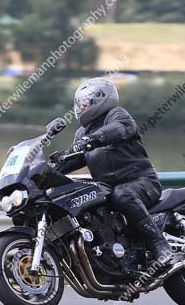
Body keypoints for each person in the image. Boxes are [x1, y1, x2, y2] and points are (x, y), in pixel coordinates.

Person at [52, 77, 174, 270]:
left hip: (142, 182)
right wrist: (46, 170)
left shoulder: (117, 116)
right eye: (80, 104)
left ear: (101, 99)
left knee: (123, 195)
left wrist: (92, 140)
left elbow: (118, 130)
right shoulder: (82, 133)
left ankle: (161, 245)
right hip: (109, 188)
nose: (82, 108)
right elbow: (73, 160)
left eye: (86, 103)